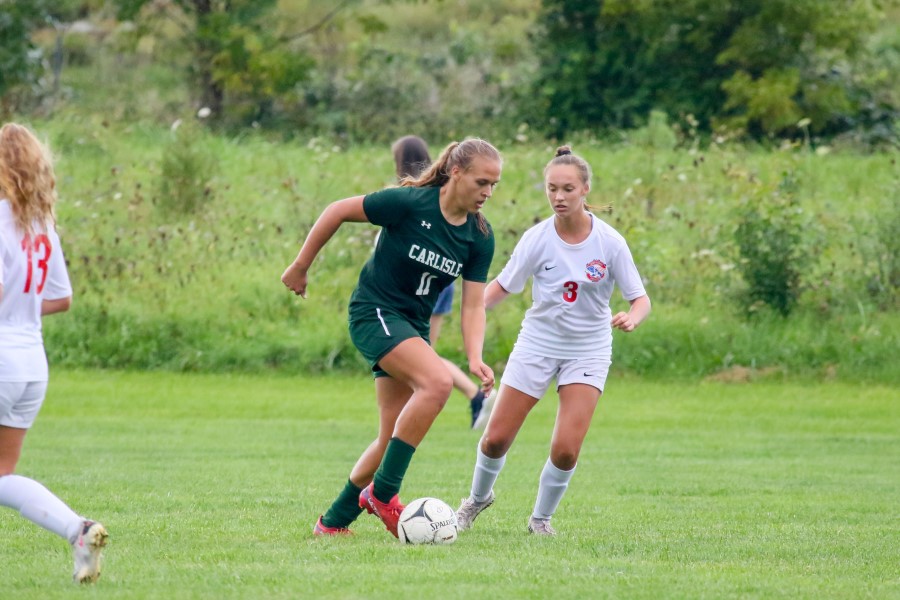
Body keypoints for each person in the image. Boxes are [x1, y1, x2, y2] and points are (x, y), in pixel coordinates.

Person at [282, 137, 502, 538]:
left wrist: (474, 356)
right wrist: (300, 266)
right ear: (456, 172)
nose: (487, 192)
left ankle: (331, 523)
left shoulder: (479, 236)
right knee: (436, 383)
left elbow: (473, 306)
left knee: (390, 438)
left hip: (412, 326)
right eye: (481, 182)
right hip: (375, 312)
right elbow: (336, 211)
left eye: (494, 185)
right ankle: (383, 494)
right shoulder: (409, 204)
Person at [455, 145, 651, 536]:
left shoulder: (610, 242)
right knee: (495, 439)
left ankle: (540, 520)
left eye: (568, 189)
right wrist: (471, 311)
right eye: (551, 189)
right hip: (537, 344)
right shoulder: (537, 238)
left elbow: (640, 298)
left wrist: (632, 316)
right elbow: (499, 288)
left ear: (585, 191)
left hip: (588, 349)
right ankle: (476, 500)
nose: (559, 197)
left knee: (565, 449)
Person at [0, 122, 108, 581]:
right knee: (2, 476)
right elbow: (60, 297)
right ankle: (77, 529)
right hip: (29, 364)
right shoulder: (40, 223)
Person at [392, 135, 496, 429]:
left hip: (427, 282)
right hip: (443, 283)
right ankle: (471, 395)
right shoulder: (426, 190)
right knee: (422, 352)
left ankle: (475, 395)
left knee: (424, 353)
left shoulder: (411, 193)